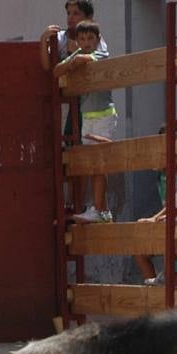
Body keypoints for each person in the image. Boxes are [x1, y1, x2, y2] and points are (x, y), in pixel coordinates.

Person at [58, 21, 118, 223]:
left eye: (90, 38)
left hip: (103, 114)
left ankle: (99, 209)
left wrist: (74, 59)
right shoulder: (77, 55)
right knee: (93, 164)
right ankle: (101, 210)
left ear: (98, 40)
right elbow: (57, 71)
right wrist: (70, 61)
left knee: (99, 163)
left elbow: (87, 58)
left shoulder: (100, 53)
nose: (86, 43)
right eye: (82, 39)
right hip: (88, 117)